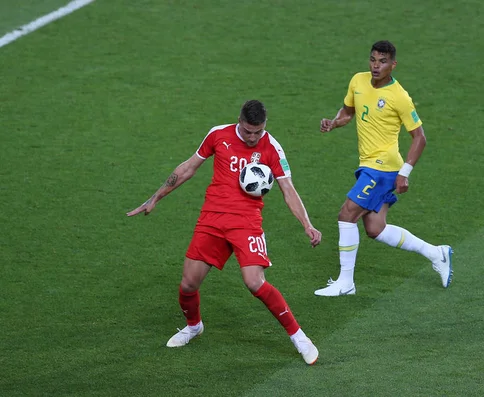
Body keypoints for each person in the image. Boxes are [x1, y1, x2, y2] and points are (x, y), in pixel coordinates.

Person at [127, 100, 322, 365]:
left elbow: (289, 190)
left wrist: (307, 225)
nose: (253, 138)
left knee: (255, 282)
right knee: (188, 284)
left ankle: (299, 336)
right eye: (247, 131)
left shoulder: (272, 148)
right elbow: (188, 168)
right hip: (212, 219)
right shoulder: (218, 134)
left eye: (258, 132)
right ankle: (194, 326)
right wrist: (155, 197)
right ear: (238, 121)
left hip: (246, 222)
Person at [314, 40, 453, 297]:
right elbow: (347, 112)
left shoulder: (399, 96)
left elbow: (419, 137)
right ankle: (437, 253)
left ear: (393, 64)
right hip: (367, 164)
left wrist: (405, 172)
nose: (376, 66)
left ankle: (346, 283)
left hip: (384, 167)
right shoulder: (358, 80)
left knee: (347, 214)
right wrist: (333, 123)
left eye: (383, 61)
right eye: (373, 60)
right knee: (375, 229)